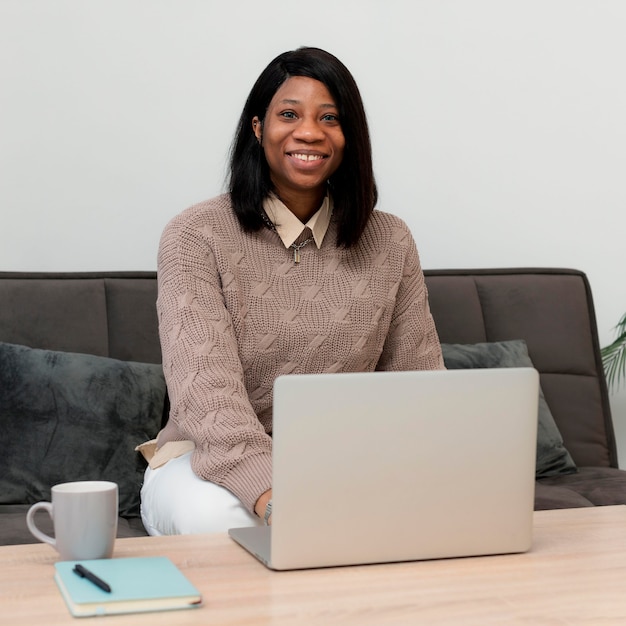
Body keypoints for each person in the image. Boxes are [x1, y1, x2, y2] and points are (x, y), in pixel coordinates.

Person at [139, 46, 444, 536]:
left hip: (343, 461)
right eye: (289, 114)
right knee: (222, 525)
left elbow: (418, 383)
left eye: (330, 118)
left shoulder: (391, 239)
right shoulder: (195, 235)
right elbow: (208, 400)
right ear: (258, 128)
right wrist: (275, 499)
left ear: (349, 137)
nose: (309, 132)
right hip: (208, 463)